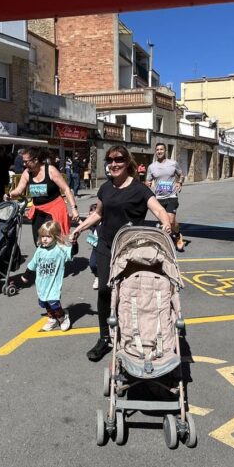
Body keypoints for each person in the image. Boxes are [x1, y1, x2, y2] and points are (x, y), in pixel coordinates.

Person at [71, 145, 172, 362]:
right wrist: (79, 228)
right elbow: (98, 214)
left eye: (118, 160)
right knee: (105, 291)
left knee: (129, 293)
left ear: (127, 163)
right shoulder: (105, 188)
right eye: (110, 160)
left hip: (131, 249)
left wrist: (165, 223)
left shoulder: (140, 189)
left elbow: (159, 209)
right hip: (107, 246)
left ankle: (131, 335)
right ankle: (104, 338)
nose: (114, 164)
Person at [5, 147, 80, 243]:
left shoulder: (50, 170)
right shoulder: (27, 173)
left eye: (26, 161)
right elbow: (19, 190)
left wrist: (74, 208)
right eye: (23, 161)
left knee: (53, 239)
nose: (24, 164)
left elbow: (66, 189)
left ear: (36, 160)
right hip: (38, 210)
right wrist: (10, 194)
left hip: (54, 209)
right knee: (39, 240)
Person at [20, 220, 73, 332]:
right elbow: (33, 263)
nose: (44, 239)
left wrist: (75, 243)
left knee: (54, 302)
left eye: (48, 236)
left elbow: (71, 252)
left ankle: (62, 317)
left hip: (54, 282)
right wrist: (26, 275)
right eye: (43, 236)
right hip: (41, 284)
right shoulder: (40, 250)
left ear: (55, 236)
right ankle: (52, 318)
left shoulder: (60, 249)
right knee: (44, 303)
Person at [145, 142, 185, 252]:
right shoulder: (151, 167)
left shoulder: (173, 164)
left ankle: (177, 235)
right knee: (165, 222)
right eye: (157, 150)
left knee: (171, 221)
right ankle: (167, 241)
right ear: (155, 151)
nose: (159, 151)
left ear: (165, 151)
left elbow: (181, 175)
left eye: (161, 149)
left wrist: (180, 183)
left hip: (171, 196)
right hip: (158, 198)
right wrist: (147, 184)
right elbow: (147, 180)